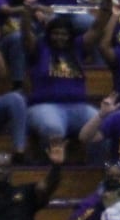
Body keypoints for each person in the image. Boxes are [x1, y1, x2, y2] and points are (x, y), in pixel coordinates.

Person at [23, 11, 102, 156]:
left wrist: (107, 10)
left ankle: (96, 171)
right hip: (45, 106)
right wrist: (26, 12)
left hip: (79, 107)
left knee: (103, 125)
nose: (60, 37)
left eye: (64, 34)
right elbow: (26, 34)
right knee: (53, 127)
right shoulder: (40, 48)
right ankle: (51, 171)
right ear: (48, 34)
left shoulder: (77, 47)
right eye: (56, 33)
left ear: (70, 36)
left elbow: (96, 29)